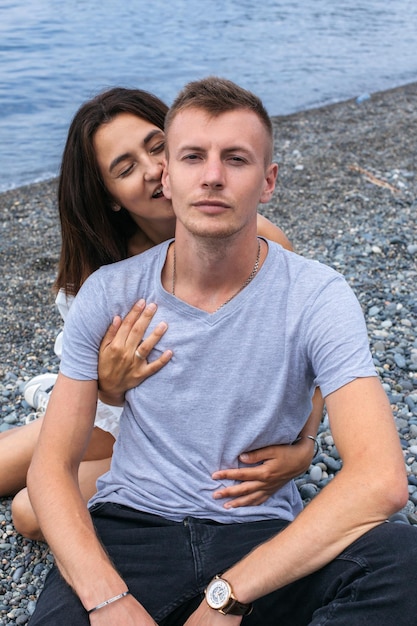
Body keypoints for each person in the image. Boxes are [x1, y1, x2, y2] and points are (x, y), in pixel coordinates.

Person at [27, 76, 417, 625]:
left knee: (401, 559)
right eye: (192, 157)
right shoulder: (109, 291)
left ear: (268, 180)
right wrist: (108, 599)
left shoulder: (315, 292)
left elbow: (380, 480)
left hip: (259, 533)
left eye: (236, 159)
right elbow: (51, 468)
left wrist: (229, 595)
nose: (212, 177)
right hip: (132, 528)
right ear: (171, 176)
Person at [8, 87, 323, 541]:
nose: (153, 169)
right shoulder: (106, 275)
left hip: (185, 443)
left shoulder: (259, 244)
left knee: (31, 511)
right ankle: (47, 401)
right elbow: (96, 387)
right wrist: (108, 386)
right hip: (112, 415)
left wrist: (305, 447)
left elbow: (313, 357)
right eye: (126, 167)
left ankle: (46, 405)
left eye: (158, 147)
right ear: (110, 195)